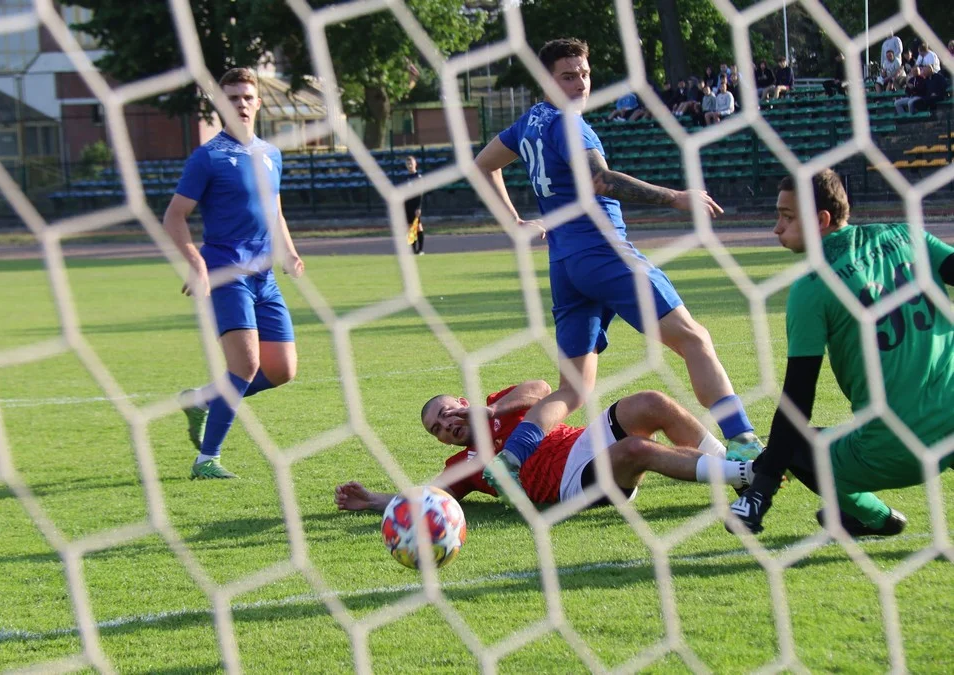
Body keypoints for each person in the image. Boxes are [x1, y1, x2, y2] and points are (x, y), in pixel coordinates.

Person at [471, 38, 762, 503]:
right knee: (693, 339)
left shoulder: (528, 124)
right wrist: (677, 198)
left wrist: (515, 222)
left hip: (566, 264)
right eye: (568, 75)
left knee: (573, 386)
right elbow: (602, 180)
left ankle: (510, 459)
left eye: (584, 73)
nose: (581, 83)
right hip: (605, 255)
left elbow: (483, 164)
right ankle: (746, 441)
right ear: (548, 80)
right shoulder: (570, 125)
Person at [728, 169, 954, 536]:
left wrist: (762, 489)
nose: (776, 228)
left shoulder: (812, 288)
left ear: (821, 219)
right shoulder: (906, 235)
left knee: (796, 446)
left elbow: (798, 398)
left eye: (786, 217)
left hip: (899, 447)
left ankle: (876, 517)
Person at [164, 67, 305, 480]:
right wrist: (197, 265)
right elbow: (174, 216)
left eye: (247, 96)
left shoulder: (271, 153)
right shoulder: (207, 156)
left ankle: (202, 400)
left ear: (258, 102)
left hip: (265, 276)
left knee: (281, 370)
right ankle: (207, 460)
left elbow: (274, 209)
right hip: (227, 272)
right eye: (232, 98)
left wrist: (290, 252)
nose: (241, 104)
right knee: (244, 366)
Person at [335, 381, 754, 512]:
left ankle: (732, 468)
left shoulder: (501, 407)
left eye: (445, 413)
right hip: (573, 484)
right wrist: (373, 500)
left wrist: (494, 410)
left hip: (584, 440)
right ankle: (749, 473)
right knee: (635, 452)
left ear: (463, 403)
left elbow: (542, 389)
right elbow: (431, 497)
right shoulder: (464, 463)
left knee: (650, 402)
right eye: (436, 429)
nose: (445, 425)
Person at [403, 155, 424, 255]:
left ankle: (420, 250)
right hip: (407, 206)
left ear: (415, 164)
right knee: (410, 228)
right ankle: (413, 250)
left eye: (411, 163)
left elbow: (420, 193)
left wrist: (418, 207)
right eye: (408, 164)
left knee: (418, 227)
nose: (409, 165)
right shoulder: (406, 178)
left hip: (415, 206)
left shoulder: (418, 177)